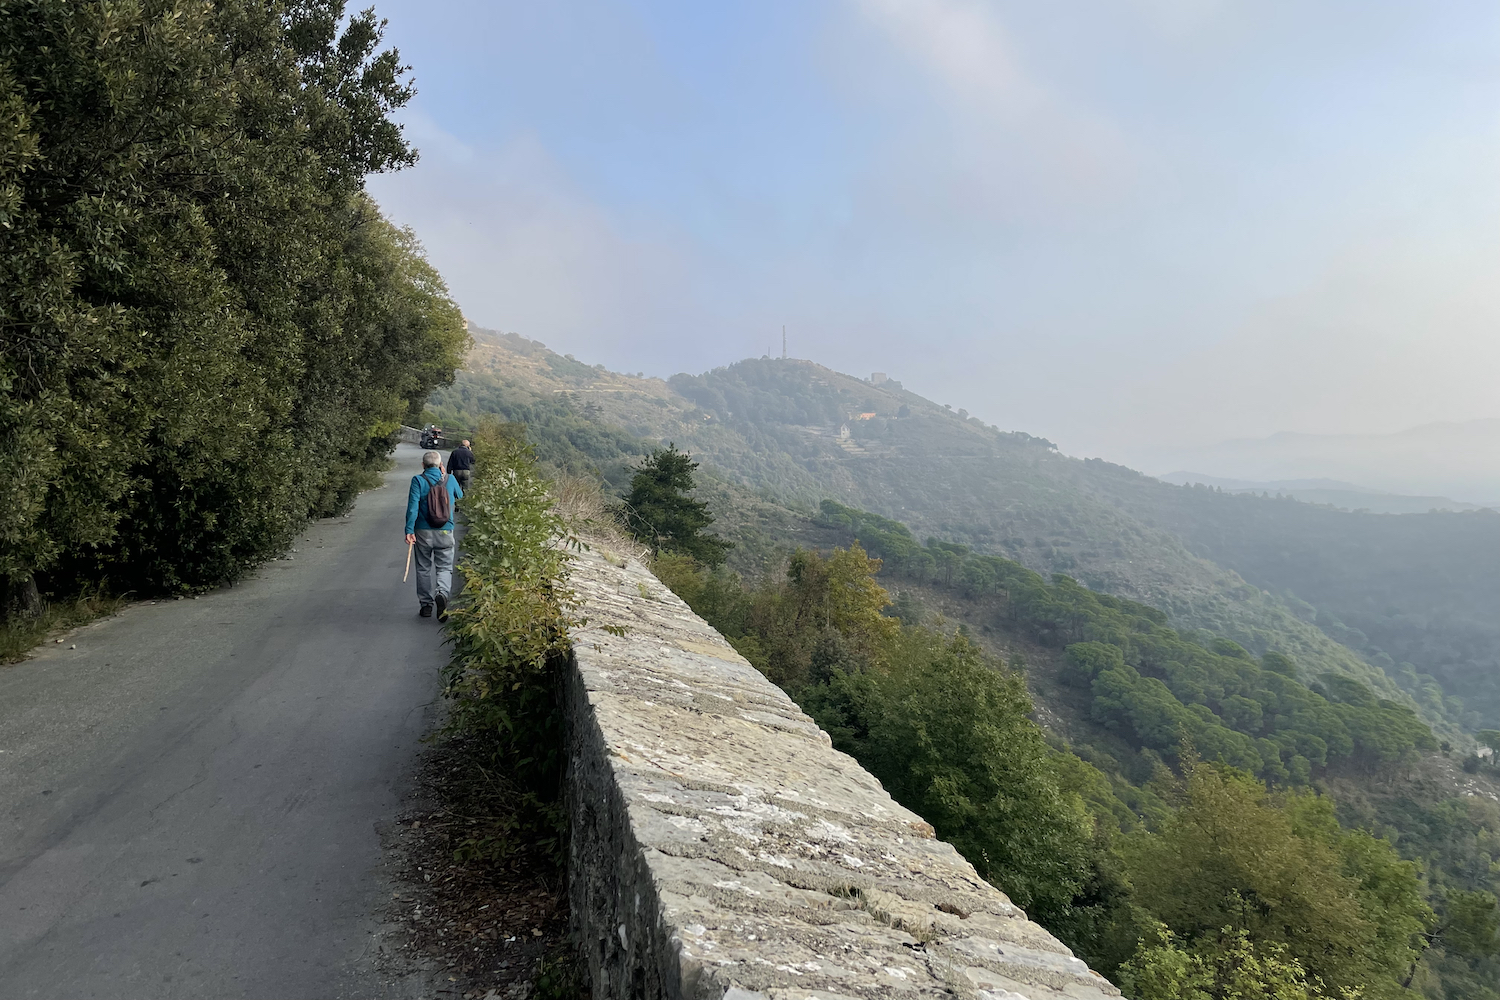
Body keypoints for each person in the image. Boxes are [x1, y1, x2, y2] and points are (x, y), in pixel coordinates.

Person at [405, 450, 463, 620]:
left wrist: (409, 530)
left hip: (422, 531)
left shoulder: (418, 480)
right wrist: (445, 476)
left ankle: (426, 606)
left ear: (423, 465)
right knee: (444, 567)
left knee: (423, 568)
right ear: (440, 465)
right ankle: (442, 593)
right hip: (445, 530)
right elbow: (460, 496)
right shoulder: (449, 479)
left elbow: (412, 507)